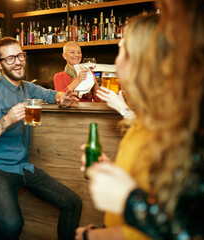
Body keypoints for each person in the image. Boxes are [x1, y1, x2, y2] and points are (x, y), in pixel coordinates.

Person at [86, 0, 204, 239]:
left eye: (122, 50)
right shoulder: (163, 117)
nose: (115, 61)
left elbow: (201, 223)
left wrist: (129, 203)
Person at [0, 37, 82, 240]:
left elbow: (52, 94)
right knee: (13, 224)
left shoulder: (27, 88)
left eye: (20, 55)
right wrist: (7, 120)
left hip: (21, 167)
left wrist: (62, 98)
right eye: (10, 58)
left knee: (72, 202)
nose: (18, 61)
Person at [75, 14, 163, 240]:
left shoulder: (167, 126)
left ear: (143, 58)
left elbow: (163, 226)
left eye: (122, 50)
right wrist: (113, 170)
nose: (117, 61)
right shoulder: (148, 118)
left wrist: (91, 236)